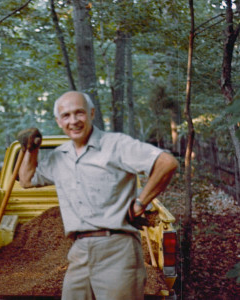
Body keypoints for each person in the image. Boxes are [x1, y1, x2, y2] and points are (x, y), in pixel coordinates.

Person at [18, 91, 178, 300]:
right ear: (58, 122)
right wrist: (31, 150)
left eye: (79, 113)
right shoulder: (60, 156)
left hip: (117, 248)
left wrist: (140, 203)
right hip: (79, 251)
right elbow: (26, 180)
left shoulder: (116, 145)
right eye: (66, 116)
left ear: (91, 113)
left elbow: (167, 163)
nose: (73, 121)